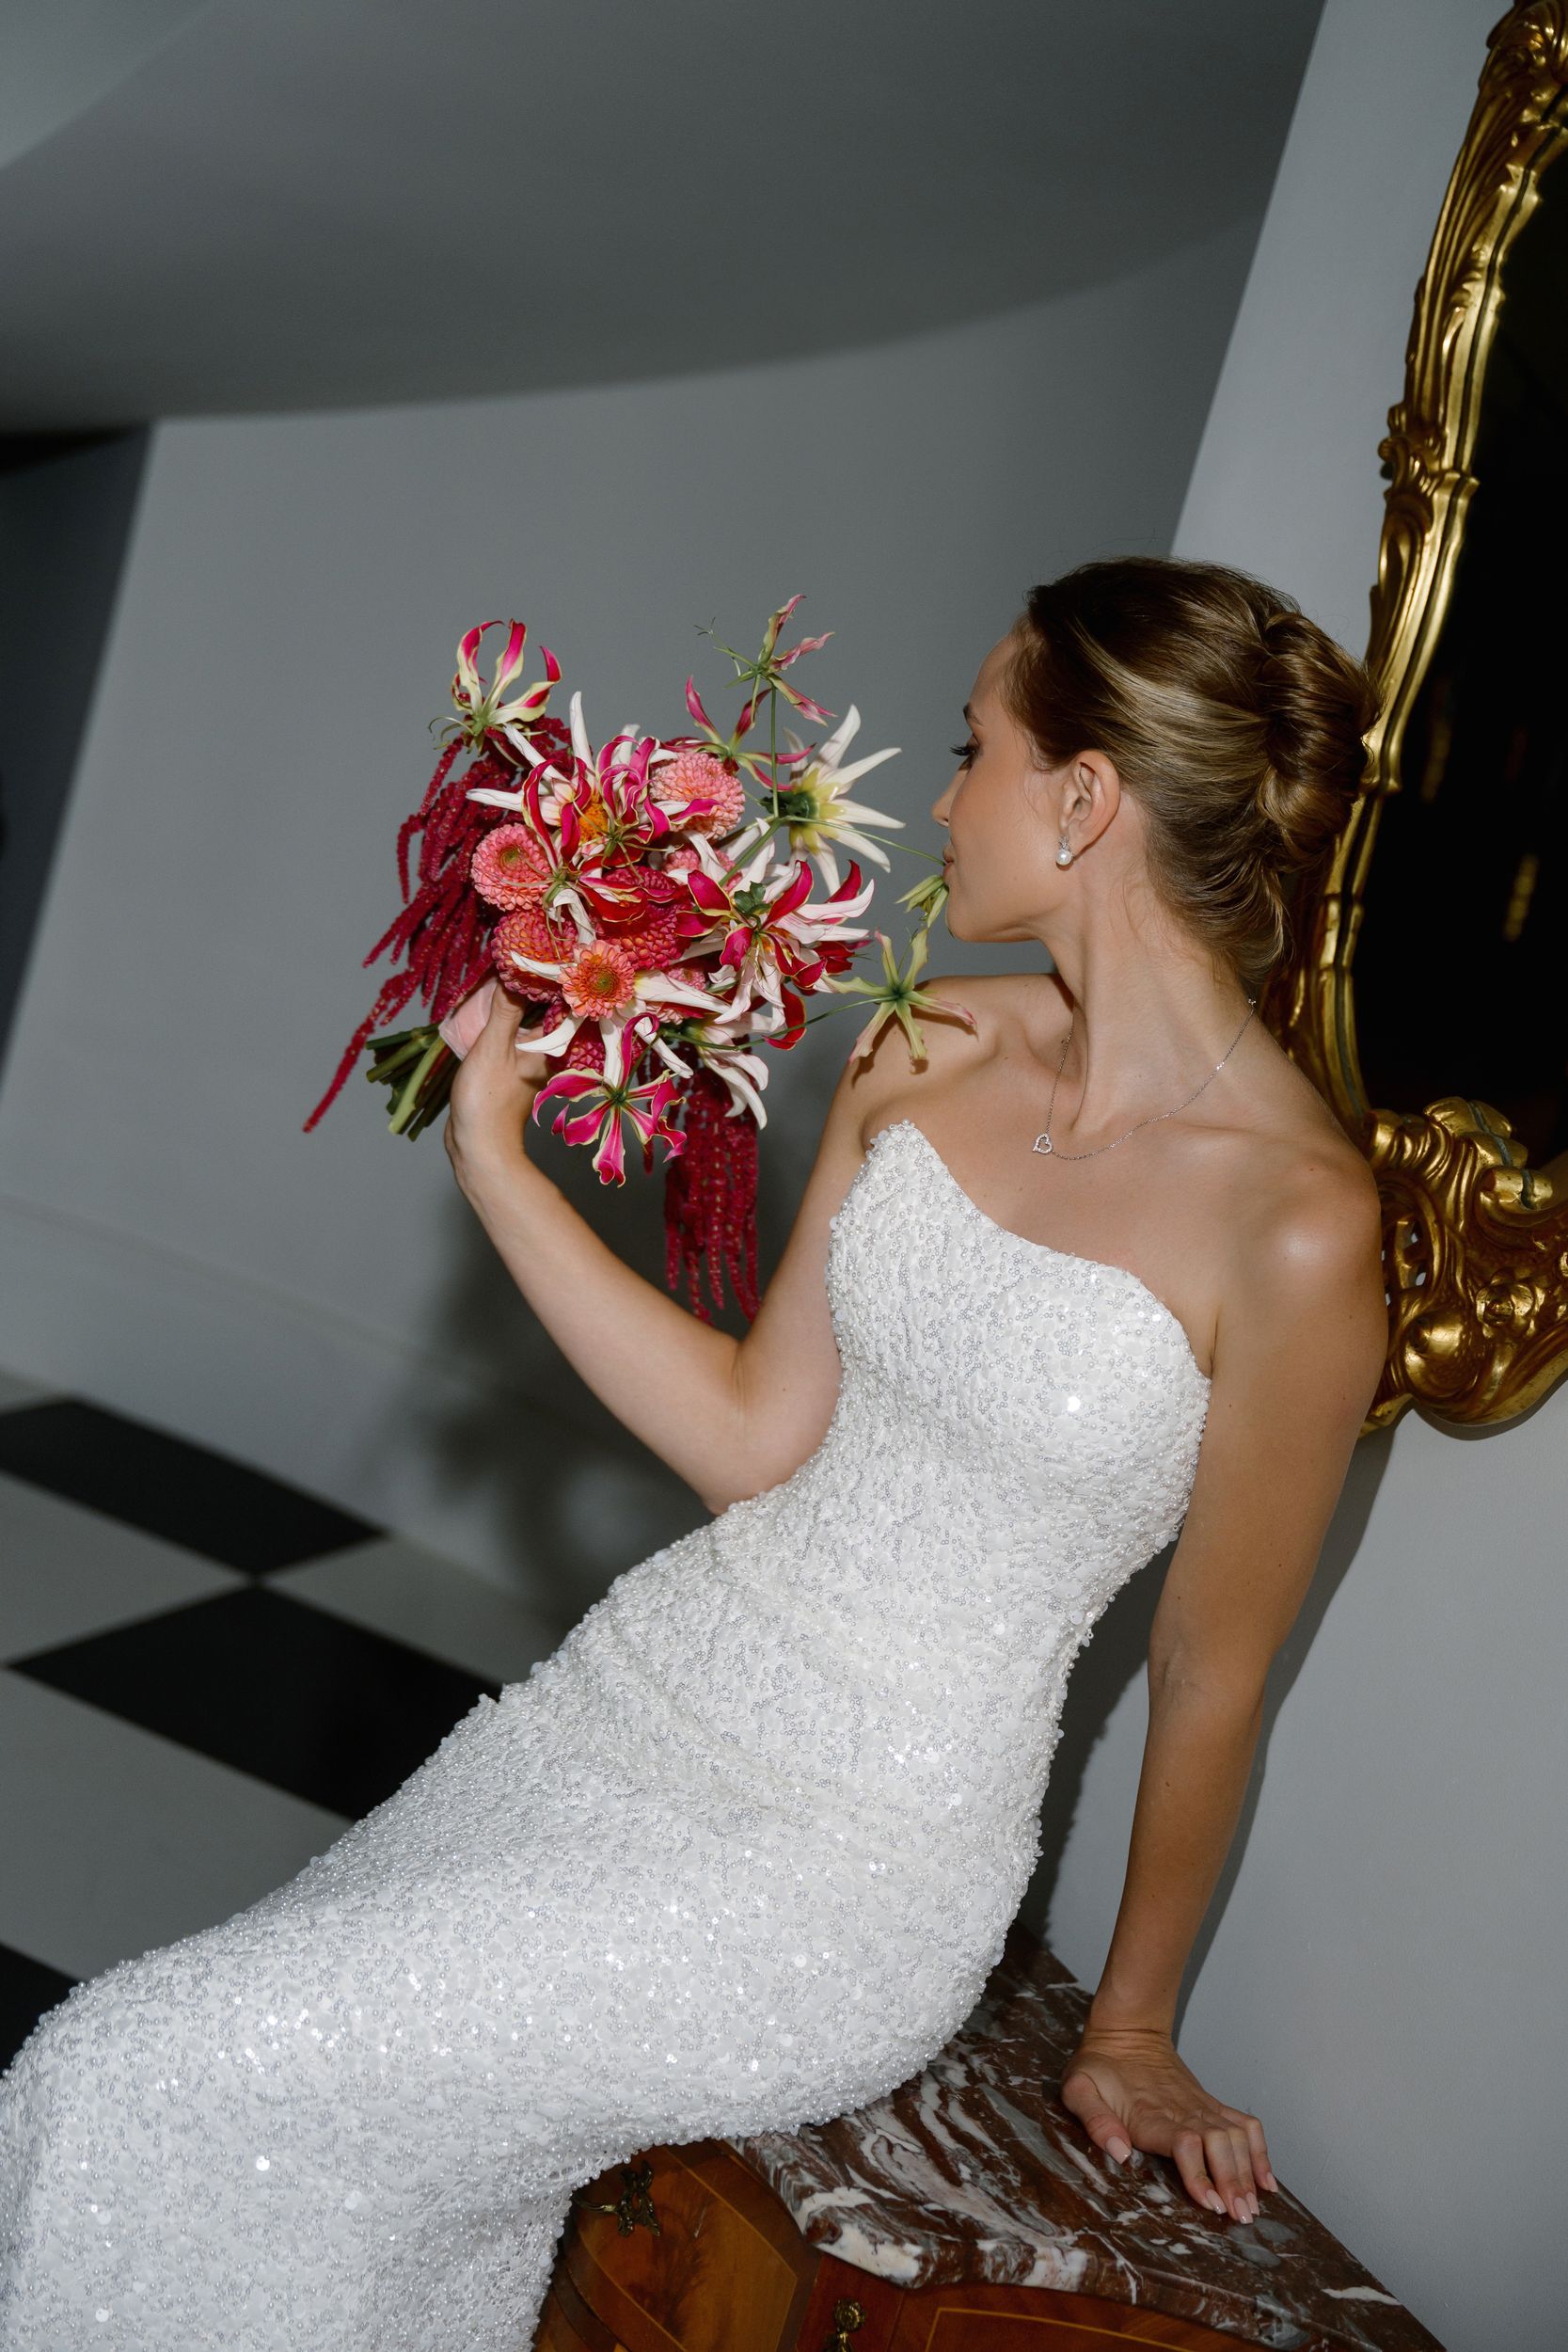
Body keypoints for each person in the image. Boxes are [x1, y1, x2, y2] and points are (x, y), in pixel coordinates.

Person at [0, 555, 1388, 2350]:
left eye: (975, 748)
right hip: (629, 1703)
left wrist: (1129, 2029)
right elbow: (756, 1436)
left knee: (138, 2064)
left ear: (1084, 797)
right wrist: (496, 1166)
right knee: (286, 2121)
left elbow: (1212, 1672)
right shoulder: (925, 1041)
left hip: (840, 1871)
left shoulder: (1296, 1229)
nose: (945, 799)